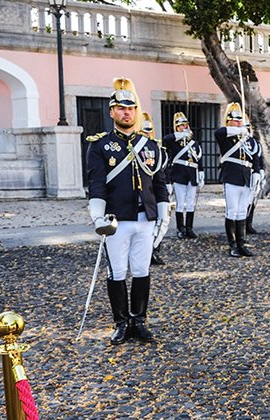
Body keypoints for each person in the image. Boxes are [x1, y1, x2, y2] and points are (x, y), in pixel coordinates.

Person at [86, 78, 169, 345]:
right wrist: (97, 216)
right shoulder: (100, 145)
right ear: (112, 111)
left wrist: (164, 214)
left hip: (145, 218)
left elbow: (159, 183)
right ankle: (121, 323)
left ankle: (139, 320)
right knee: (118, 272)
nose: (127, 113)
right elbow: (96, 183)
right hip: (116, 220)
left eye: (131, 108)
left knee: (142, 270)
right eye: (121, 109)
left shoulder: (151, 146)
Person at [214, 102, 261, 257]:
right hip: (231, 176)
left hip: (245, 178)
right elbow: (219, 132)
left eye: (240, 120)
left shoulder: (247, 139)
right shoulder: (226, 136)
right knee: (232, 211)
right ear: (228, 121)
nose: (238, 123)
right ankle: (232, 245)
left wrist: (257, 173)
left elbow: (255, 158)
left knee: (242, 212)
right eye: (235, 120)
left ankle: (241, 243)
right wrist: (239, 130)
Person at [162, 112, 204, 238]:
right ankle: (180, 229)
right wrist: (179, 135)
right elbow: (165, 140)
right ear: (177, 127)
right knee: (180, 203)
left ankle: (189, 228)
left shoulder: (194, 143)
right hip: (179, 174)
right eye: (181, 125)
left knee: (191, 203)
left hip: (192, 174)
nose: (184, 127)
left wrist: (201, 172)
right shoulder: (174, 140)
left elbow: (198, 159)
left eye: (186, 125)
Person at [141, 112, 170, 266]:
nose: (148, 134)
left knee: (162, 222)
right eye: (144, 131)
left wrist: (168, 188)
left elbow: (163, 172)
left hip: (158, 191)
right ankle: (147, 252)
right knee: (148, 224)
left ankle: (154, 249)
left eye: (149, 130)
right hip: (144, 192)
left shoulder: (159, 150)